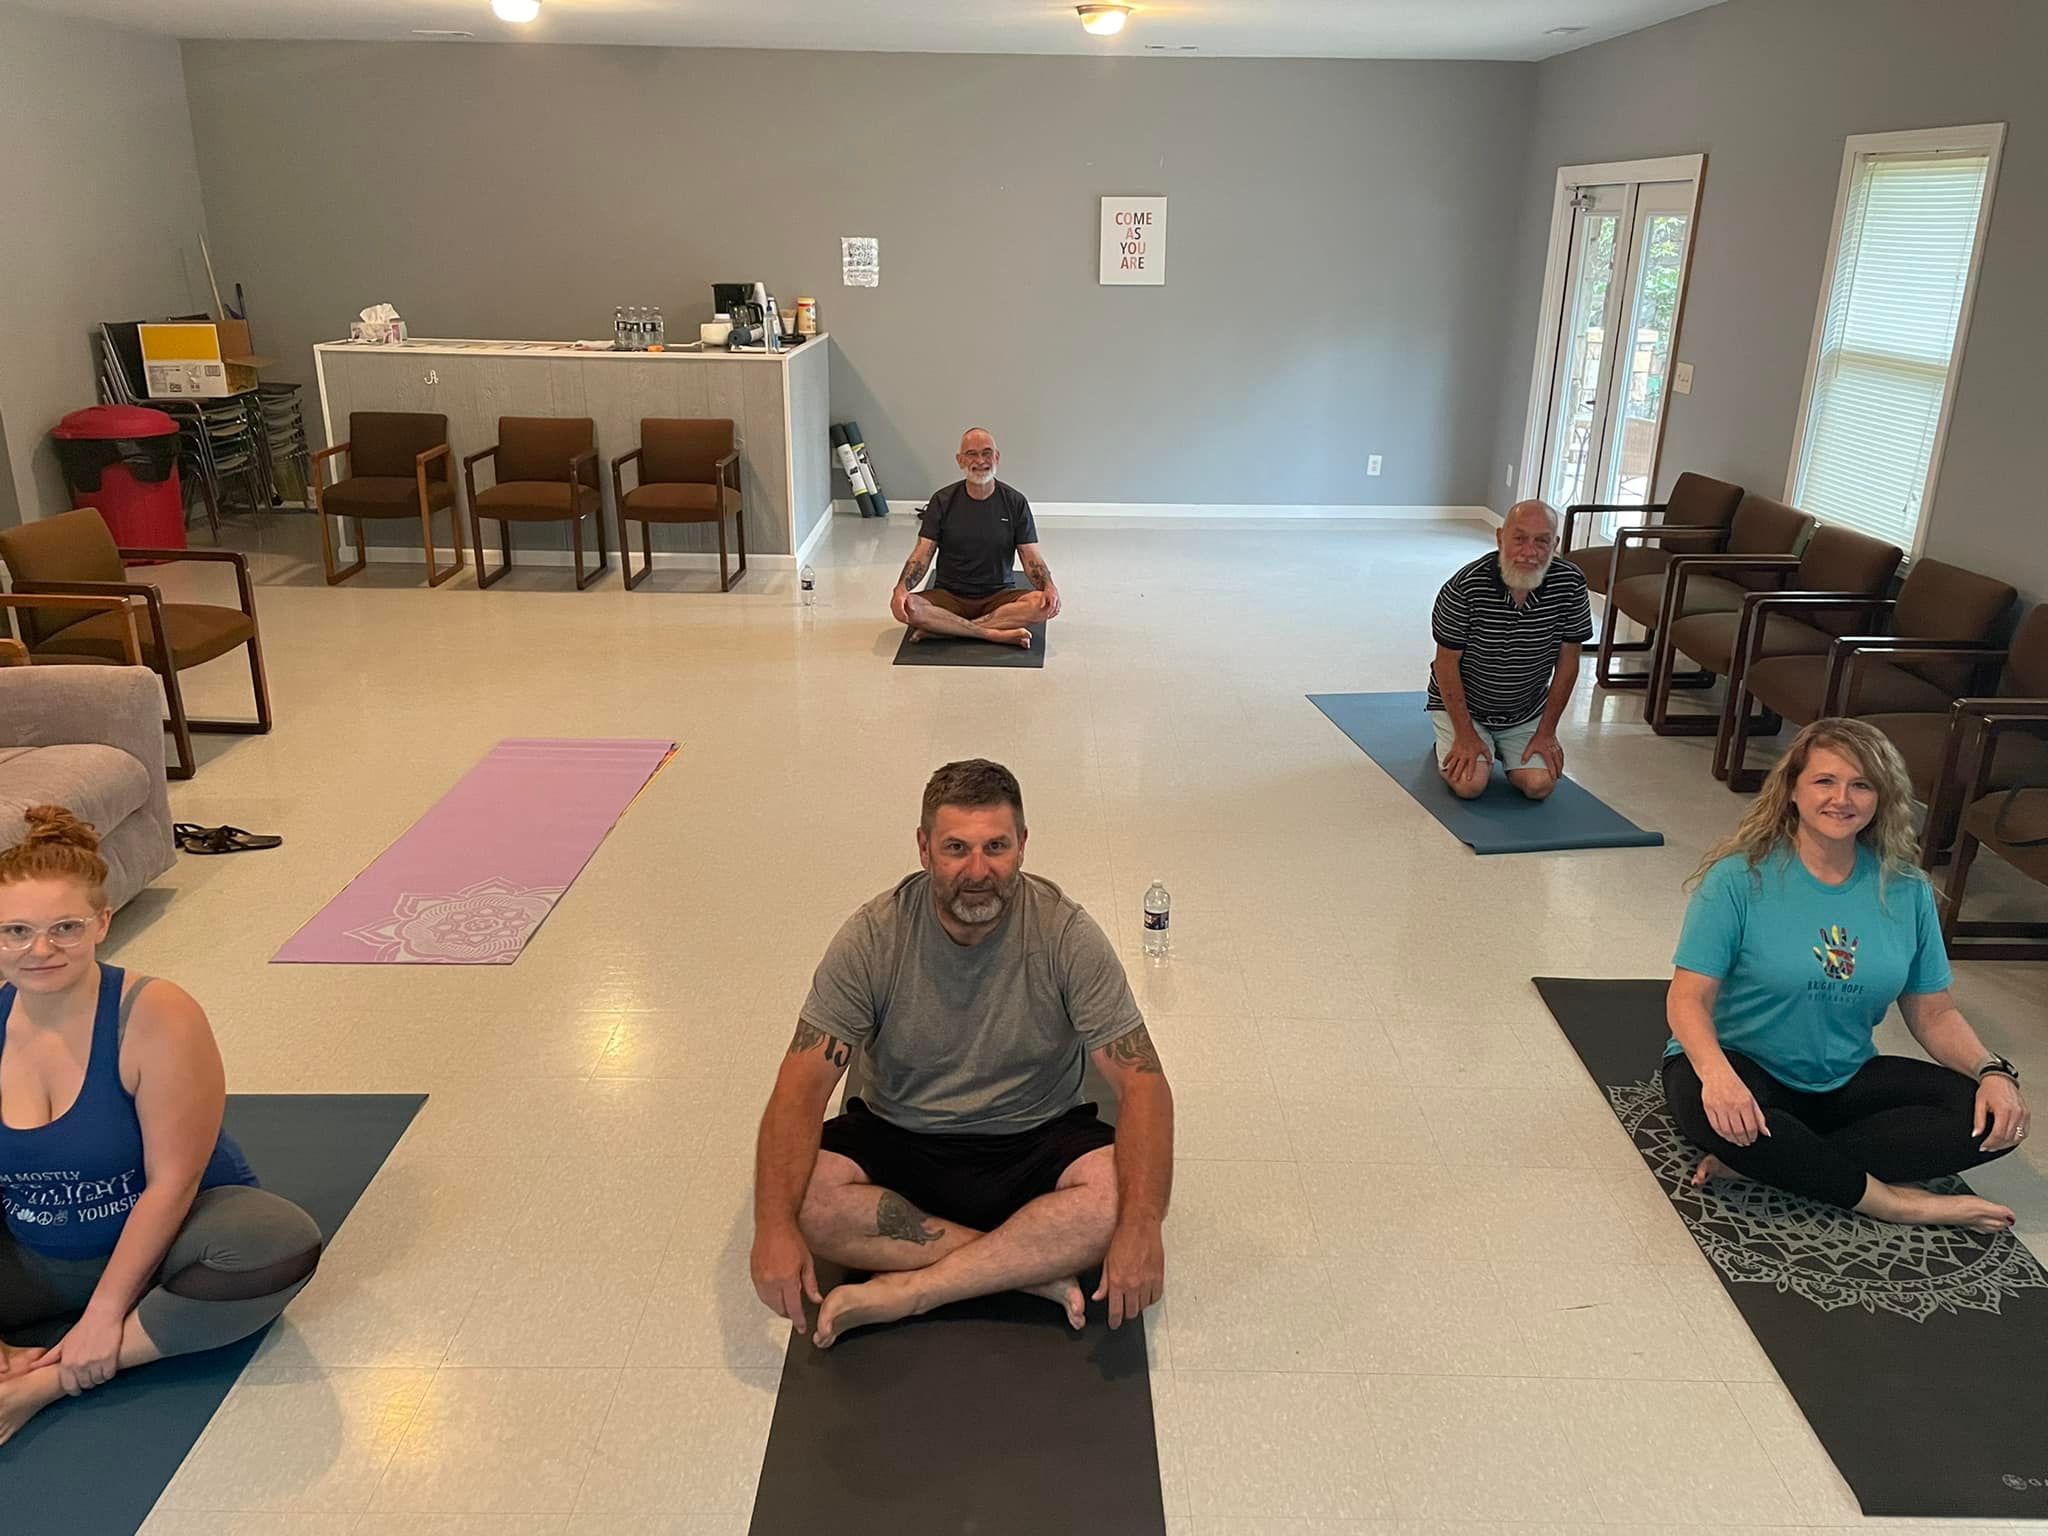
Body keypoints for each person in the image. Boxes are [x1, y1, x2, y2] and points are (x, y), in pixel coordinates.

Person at [750, 759, 1172, 1348]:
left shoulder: (1066, 935)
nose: (978, 871)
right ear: (924, 849)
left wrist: (1142, 1226)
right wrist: (772, 1226)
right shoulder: (872, 937)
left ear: (1022, 845)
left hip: (1037, 1136)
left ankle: (916, 1288)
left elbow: (1144, 1084)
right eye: (956, 848)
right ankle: (1026, 1272)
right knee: (805, 1200)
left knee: (1120, 1201)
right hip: (901, 1135)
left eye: (996, 846)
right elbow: (799, 1091)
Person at [0, 807, 323, 1447]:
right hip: (33, 1261)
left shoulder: (157, 1014)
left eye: (65, 928)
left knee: (275, 1241)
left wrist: (102, 1319)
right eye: (16, 931)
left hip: (165, 1250)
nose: (40, 950)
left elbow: (173, 1182)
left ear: (102, 922)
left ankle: (52, 1379)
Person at [1663, 720, 2029, 1231]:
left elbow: (1934, 1011)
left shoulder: (1907, 889)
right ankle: (1896, 1203)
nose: (1842, 799)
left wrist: (1992, 1073)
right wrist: (1718, 1077)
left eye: (1861, 785)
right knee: (1721, 1116)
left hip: (1841, 1077)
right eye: (1825, 781)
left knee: (1993, 1120)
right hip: (1740, 1066)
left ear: (1882, 797)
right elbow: (1687, 1000)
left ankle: (1774, 1162)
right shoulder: (1738, 879)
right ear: (1793, 789)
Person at [1427, 499, 1591, 800]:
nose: (1529, 552)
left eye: (1541, 541)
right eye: (1519, 539)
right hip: (1467, 707)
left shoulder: (1571, 584)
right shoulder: (1464, 588)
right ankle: (1452, 737)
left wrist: (1547, 732)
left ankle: (1502, 746)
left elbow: (1569, 663)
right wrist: (1465, 735)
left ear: (1554, 544)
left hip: (1524, 709)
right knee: (1470, 785)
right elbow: (1445, 664)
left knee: (1540, 785)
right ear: (1501, 537)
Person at [890, 428, 1060, 648]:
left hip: (999, 596)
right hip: (949, 596)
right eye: (971, 454)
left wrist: (1049, 586)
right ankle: (991, 633)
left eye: (986, 453)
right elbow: (922, 554)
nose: (980, 461)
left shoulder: (1015, 502)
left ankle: (947, 630)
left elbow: (1031, 558)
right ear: (960, 460)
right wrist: (901, 588)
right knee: (910, 606)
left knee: (1041, 604)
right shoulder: (942, 501)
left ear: (997, 457)